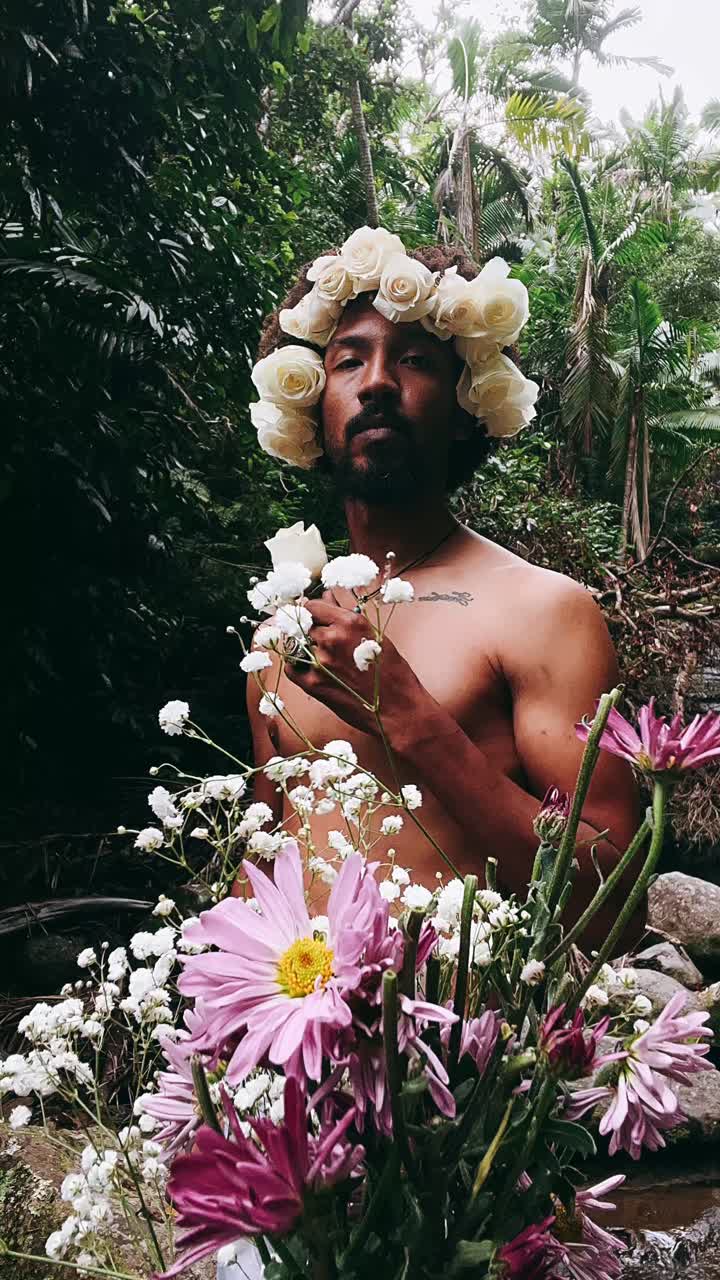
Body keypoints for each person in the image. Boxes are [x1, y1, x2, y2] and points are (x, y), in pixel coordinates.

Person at [243, 231, 641, 948]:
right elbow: (262, 855)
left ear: (466, 408)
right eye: (348, 360)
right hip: (292, 1044)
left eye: (417, 360)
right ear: (312, 405)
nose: (376, 383)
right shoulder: (283, 634)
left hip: (465, 1047)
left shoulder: (544, 613)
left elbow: (616, 904)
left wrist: (414, 722)